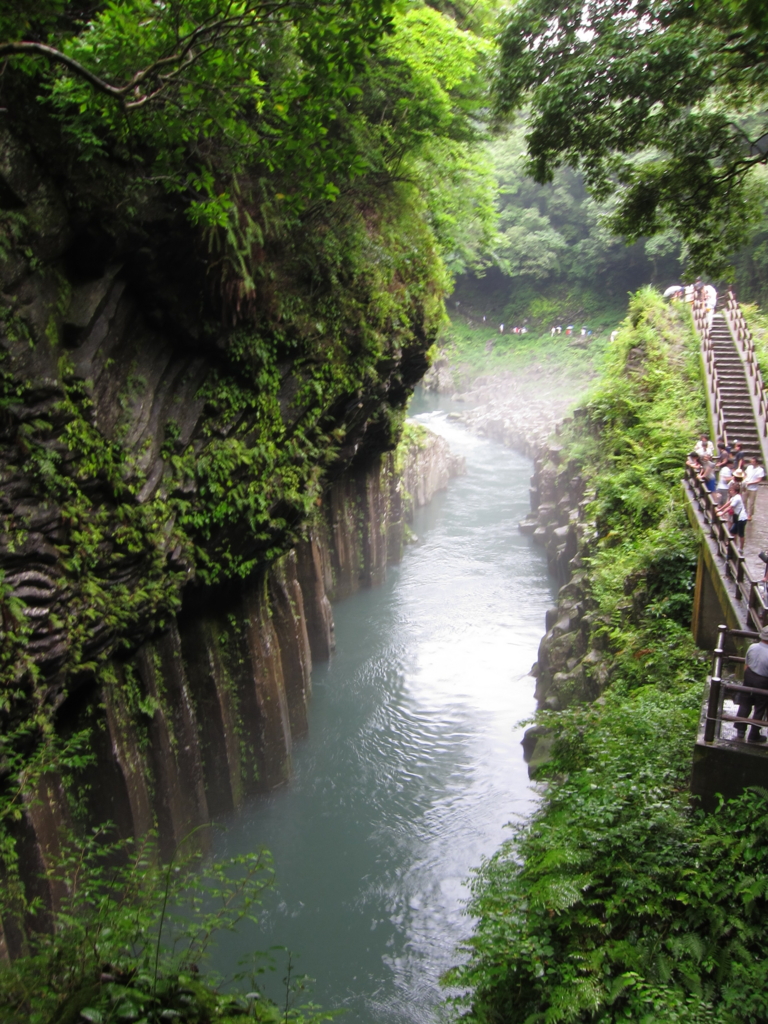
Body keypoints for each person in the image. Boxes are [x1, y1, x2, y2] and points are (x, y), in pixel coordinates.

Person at [734, 625, 768, 743]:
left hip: (749, 675)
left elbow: (746, 664)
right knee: (760, 707)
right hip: (763, 680)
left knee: (745, 703)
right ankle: (754, 735)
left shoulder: (752, 647)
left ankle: (740, 730)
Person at [718, 480, 749, 552]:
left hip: (741, 518)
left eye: (731, 490)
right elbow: (728, 503)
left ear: (735, 491)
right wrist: (720, 509)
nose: (730, 491)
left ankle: (741, 549)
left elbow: (730, 507)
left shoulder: (737, 498)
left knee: (741, 534)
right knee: (732, 531)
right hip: (737, 517)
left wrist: (721, 513)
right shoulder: (734, 497)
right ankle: (733, 545)